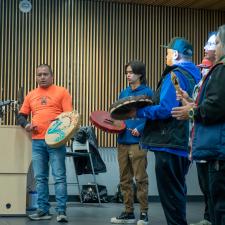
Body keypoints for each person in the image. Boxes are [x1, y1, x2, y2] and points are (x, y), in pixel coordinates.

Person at [128, 37, 201, 225]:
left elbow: (165, 109)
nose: (165, 55)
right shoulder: (198, 75)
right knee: (178, 191)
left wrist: (139, 111)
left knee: (170, 197)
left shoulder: (174, 75)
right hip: (188, 143)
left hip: (169, 143)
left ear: (175, 54)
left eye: (168, 52)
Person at [172, 25, 225, 225]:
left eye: (216, 43)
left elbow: (215, 107)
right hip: (212, 147)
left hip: (218, 148)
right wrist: (190, 102)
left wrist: (192, 111)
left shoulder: (221, 70)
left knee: (220, 207)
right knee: (214, 202)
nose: (212, 47)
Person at [17, 64, 73, 222]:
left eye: (45, 74)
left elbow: (69, 116)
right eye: (39, 74)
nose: (42, 77)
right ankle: (43, 210)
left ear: (52, 76)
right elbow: (21, 115)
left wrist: (59, 121)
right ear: (36, 77)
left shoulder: (62, 92)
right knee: (40, 178)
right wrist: (27, 125)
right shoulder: (31, 94)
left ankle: (61, 211)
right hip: (37, 142)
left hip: (56, 143)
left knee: (59, 177)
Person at [110, 60, 153, 225]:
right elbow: (117, 115)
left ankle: (144, 213)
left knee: (140, 178)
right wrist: (113, 126)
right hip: (122, 140)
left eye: (131, 72)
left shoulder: (148, 92)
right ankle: (128, 212)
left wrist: (141, 128)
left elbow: (152, 116)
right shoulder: (124, 92)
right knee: (124, 179)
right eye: (127, 72)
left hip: (138, 142)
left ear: (140, 74)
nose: (128, 75)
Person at [189, 33, 217, 225]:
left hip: (210, 143)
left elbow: (207, 110)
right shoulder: (197, 87)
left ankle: (212, 217)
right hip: (197, 141)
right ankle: (208, 217)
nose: (202, 72)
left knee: (213, 186)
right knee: (204, 185)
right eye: (202, 69)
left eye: (205, 69)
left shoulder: (215, 83)